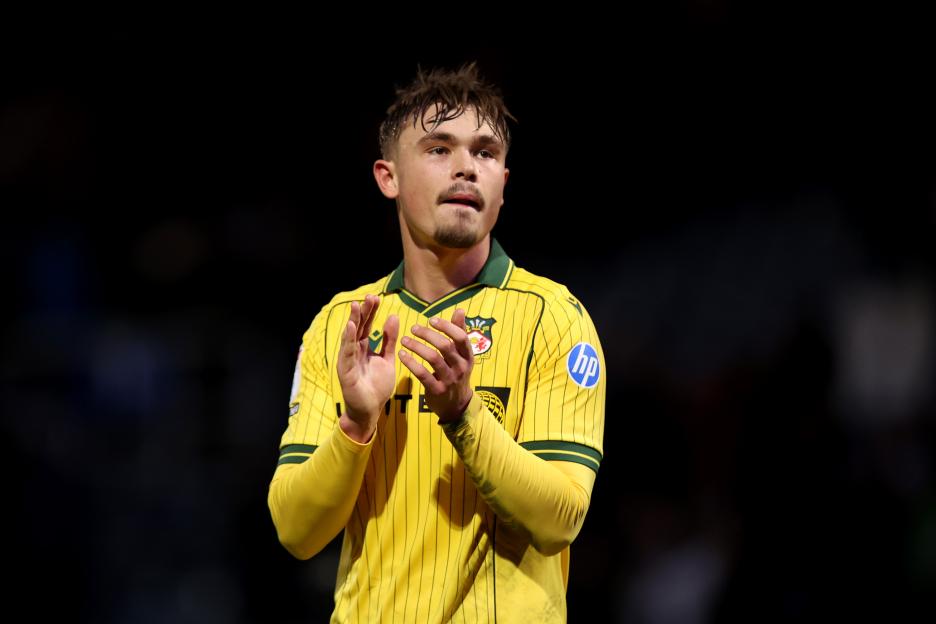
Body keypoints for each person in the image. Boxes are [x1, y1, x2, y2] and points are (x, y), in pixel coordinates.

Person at [268, 62, 606, 623]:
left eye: (486, 153)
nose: (467, 168)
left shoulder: (554, 319)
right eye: (439, 149)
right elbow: (296, 531)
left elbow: (560, 519)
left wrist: (465, 413)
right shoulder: (340, 325)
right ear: (388, 177)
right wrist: (355, 424)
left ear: (503, 183)